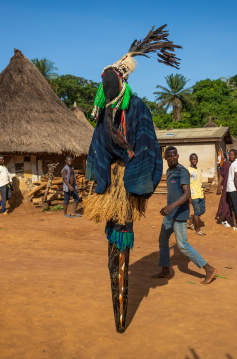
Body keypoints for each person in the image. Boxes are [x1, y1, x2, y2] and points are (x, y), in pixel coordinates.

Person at [84, 27, 171, 333]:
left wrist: (138, 184)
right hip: (111, 185)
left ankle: (121, 313)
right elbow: (97, 149)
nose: (107, 86)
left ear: (123, 81)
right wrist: (99, 179)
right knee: (112, 237)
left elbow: (148, 149)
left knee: (123, 230)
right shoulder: (104, 111)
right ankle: (118, 303)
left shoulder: (138, 109)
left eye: (112, 81)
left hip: (127, 184)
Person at [153, 146, 217, 283]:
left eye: (174, 155)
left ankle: (209, 268)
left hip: (180, 214)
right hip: (170, 214)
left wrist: (171, 206)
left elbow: (187, 193)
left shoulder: (182, 171)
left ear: (178, 156)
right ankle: (165, 270)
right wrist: (169, 208)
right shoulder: (169, 171)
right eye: (169, 156)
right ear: (165, 158)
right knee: (163, 240)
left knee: (182, 245)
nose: (172, 158)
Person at [187, 153, 206, 235]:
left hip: (200, 193)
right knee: (197, 212)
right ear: (190, 160)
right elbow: (186, 184)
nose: (194, 160)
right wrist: (188, 196)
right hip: (193, 194)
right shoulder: (188, 170)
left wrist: (203, 192)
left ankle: (191, 220)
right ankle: (198, 230)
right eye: (193, 159)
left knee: (202, 210)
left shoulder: (198, 169)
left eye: (196, 159)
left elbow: (199, 182)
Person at [216, 153, 233, 228]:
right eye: (230, 155)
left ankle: (233, 219)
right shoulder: (226, 164)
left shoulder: (236, 164)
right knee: (225, 202)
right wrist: (219, 186)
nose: (231, 156)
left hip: (234, 187)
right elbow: (222, 175)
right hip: (226, 186)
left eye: (233, 155)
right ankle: (224, 220)